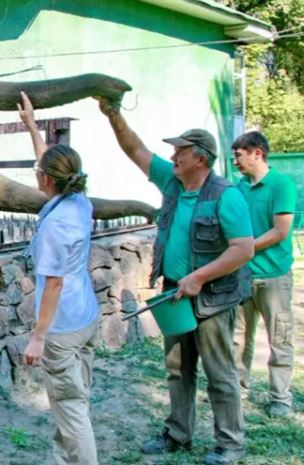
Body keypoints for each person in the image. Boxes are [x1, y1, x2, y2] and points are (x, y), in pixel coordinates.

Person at [97, 98, 254, 465]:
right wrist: (113, 115)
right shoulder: (172, 182)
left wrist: (198, 277)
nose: (172, 158)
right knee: (177, 369)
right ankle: (178, 434)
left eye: (180, 152)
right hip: (175, 292)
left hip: (213, 296)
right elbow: (135, 149)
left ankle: (230, 444)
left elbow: (243, 249)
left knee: (220, 373)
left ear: (200, 158)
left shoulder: (225, 195)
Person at [19, 92, 100, 465]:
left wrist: (38, 337)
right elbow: (48, 161)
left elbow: (52, 284)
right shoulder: (80, 201)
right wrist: (32, 126)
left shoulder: (54, 226)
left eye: (38, 172)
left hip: (62, 327)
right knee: (71, 400)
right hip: (85, 317)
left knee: (70, 407)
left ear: (47, 180)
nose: (35, 173)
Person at [231, 131, 297, 418]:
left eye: (239, 155)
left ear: (257, 153)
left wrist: (243, 248)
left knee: (279, 338)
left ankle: (280, 398)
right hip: (241, 274)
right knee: (237, 337)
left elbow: (280, 231)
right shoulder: (239, 187)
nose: (236, 161)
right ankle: (236, 388)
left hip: (273, 276)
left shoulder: (281, 185)